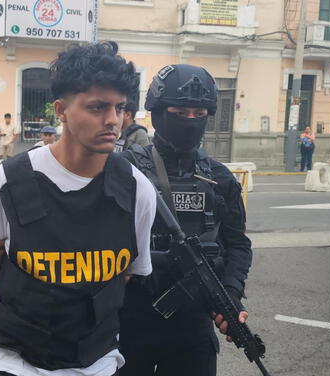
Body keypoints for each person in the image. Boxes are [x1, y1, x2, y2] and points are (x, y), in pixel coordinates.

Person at [0, 41, 156, 376]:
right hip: (12, 363)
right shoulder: (9, 180)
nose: (112, 120)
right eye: (97, 107)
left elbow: (130, 272)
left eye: (119, 108)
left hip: (96, 363)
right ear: (61, 110)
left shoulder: (136, 189)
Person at [119, 64, 253, 376]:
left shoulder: (221, 180)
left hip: (193, 325)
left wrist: (230, 295)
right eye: (180, 111)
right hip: (129, 319)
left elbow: (237, 245)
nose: (190, 121)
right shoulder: (124, 171)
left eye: (199, 113)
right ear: (157, 112)